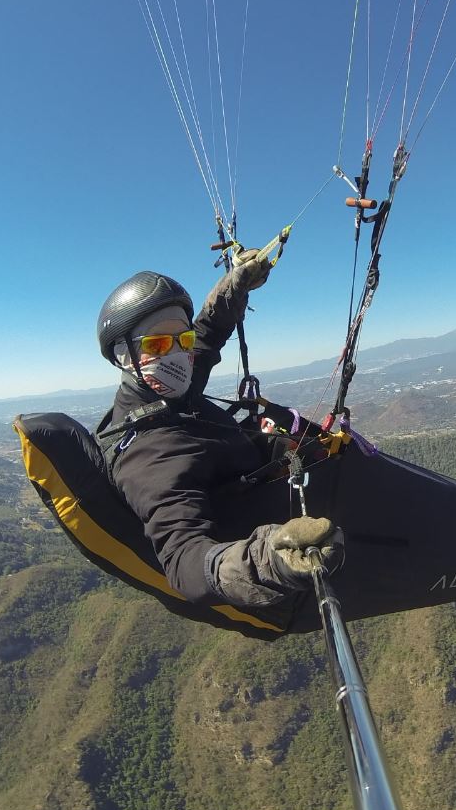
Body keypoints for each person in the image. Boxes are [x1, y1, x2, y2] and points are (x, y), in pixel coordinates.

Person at [94, 254, 343, 611]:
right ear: (124, 356)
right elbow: (185, 561)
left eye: (183, 338)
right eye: (158, 344)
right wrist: (269, 559)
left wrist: (234, 287)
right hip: (272, 521)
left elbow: (208, 335)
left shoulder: (168, 392)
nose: (180, 353)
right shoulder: (148, 454)